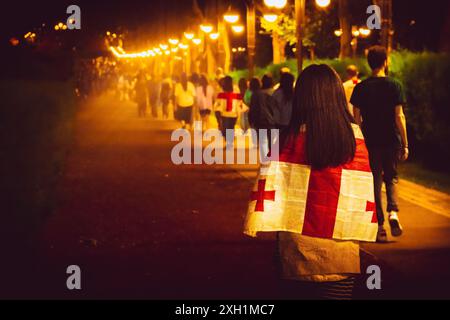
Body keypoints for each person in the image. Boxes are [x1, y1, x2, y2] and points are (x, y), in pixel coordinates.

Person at [247, 64, 373, 300]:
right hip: (340, 251)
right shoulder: (354, 138)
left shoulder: (286, 140)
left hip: (296, 254)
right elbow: (361, 192)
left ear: (302, 97)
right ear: (336, 94)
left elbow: (269, 187)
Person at [351, 46, 409, 243]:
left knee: (375, 180)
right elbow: (399, 116)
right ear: (385, 62)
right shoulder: (395, 85)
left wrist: (357, 143)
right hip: (391, 139)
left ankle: (380, 227)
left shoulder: (361, 88)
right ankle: (393, 211)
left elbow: (356, 119)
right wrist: (405, 143)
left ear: (370, 63)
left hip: (370, 141)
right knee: (391, 177)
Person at [248, 74, 278, 158]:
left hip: (260, 121)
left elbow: (253, 108)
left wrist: (251, 120)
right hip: (273, 121)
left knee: (262, 141)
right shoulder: (276, 93)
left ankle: (264, 160)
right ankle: (272, 159)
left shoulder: (257, 93)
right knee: (272, 141)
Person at [215, 76, 242, 147]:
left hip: (224, 114)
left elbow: (218, 102)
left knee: (225, 128)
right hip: (234, 114)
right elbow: (239, 101)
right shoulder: (236, 89)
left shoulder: (221, 90)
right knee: (231, 127)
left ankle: (229, 142)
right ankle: (230, 142)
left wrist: (217, 110)